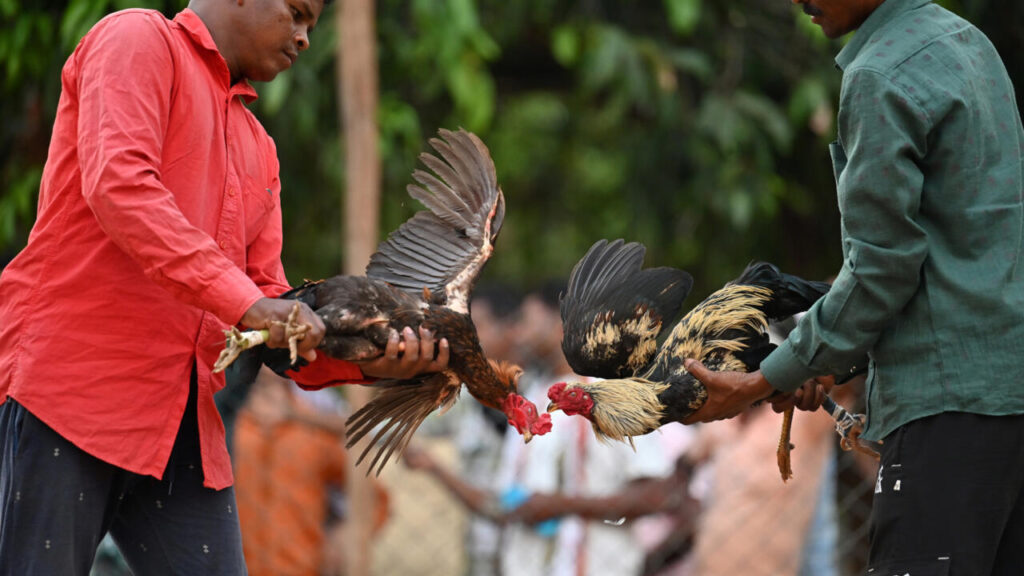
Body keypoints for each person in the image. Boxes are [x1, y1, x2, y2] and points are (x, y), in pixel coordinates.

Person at [0, 1, 448, 573]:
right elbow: (120, 185)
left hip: (183, 424)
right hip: (71, 394)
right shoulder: (138, 38)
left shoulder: (260, 149)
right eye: (297, 13)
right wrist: (252, 304)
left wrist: (372, 362)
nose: (305, 38)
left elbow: (272, 315)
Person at [684, 0, 1024, 573]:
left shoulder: (878, 73)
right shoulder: (969, 44)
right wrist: (824, 361)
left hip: (947, 410)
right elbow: (959, 261)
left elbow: (882, 269)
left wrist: (763, 380)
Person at [232, 367, 388, 576]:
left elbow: (374, 499)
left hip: (301, 567)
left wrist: (346, 533)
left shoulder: (313, 429)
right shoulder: (225, 426)